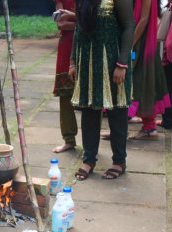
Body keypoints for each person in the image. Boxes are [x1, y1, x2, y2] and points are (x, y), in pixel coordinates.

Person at [70, 0, 134, 180]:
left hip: (113, 61)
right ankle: (89, 160)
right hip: (88, 61)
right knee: (89, 110)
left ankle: (119, 161)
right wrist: (73, 61)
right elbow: (78, 26)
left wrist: (122, 63)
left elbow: (129, 26)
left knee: (117, 111)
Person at [128, 0, 171, 140]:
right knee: (140, 79)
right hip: (137, 41)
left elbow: (144, 19)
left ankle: (148, 128)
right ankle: (147, 126)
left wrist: (129, 43)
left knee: (138, 79)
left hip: (141, 44)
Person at [52, 0, 78, 153]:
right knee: (65, 93)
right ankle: (69, 139)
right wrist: (84, 24)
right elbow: (61, 23)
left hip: (88, 44)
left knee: (89, 92)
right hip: (67, 45)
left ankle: (90, 143)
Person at [156, 1, 172, 129]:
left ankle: (167, 121)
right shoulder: (169, 8)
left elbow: (169, 43)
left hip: (170, 58)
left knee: (168, 89)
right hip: (168, 57)